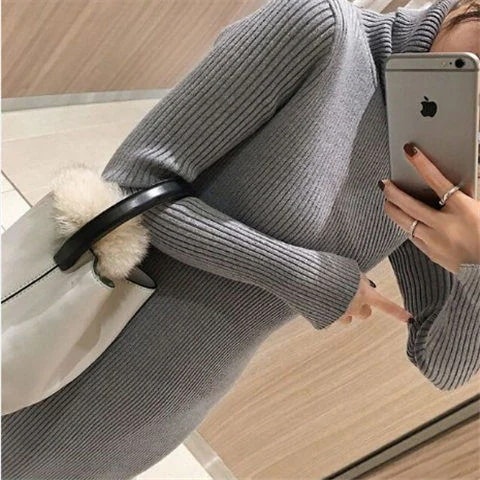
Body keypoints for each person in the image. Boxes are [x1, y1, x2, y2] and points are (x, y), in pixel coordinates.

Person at [2, 0, 479, 479]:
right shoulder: (325, 34)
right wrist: (313, 279)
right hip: (78, 339)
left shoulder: (442, 168)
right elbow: (133, 187)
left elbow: (444, 366)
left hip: (166, 402)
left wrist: (477, 258)